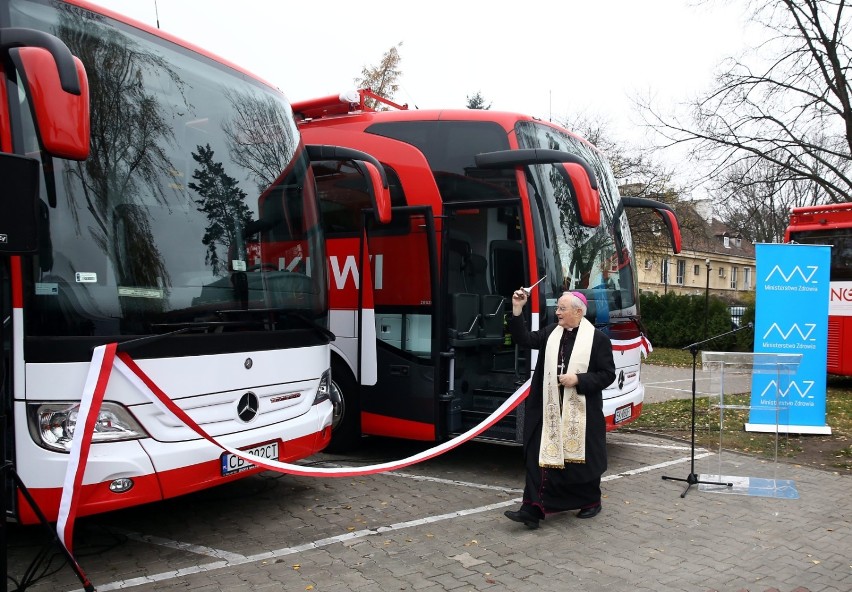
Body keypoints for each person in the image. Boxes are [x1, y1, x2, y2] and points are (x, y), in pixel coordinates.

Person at [504, 289, 616, 529]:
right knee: (539, 454)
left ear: (578, 311)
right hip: (548, 408)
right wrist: (517, 309)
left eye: (562, 309)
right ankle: (532, 509)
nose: (557, 313)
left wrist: (579, 379)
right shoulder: (551, 333)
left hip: (580, 411)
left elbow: (607, 375)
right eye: (558, 308)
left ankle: (590, 501)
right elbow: (524, 339)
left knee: (579, 462)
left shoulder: (598, 339)